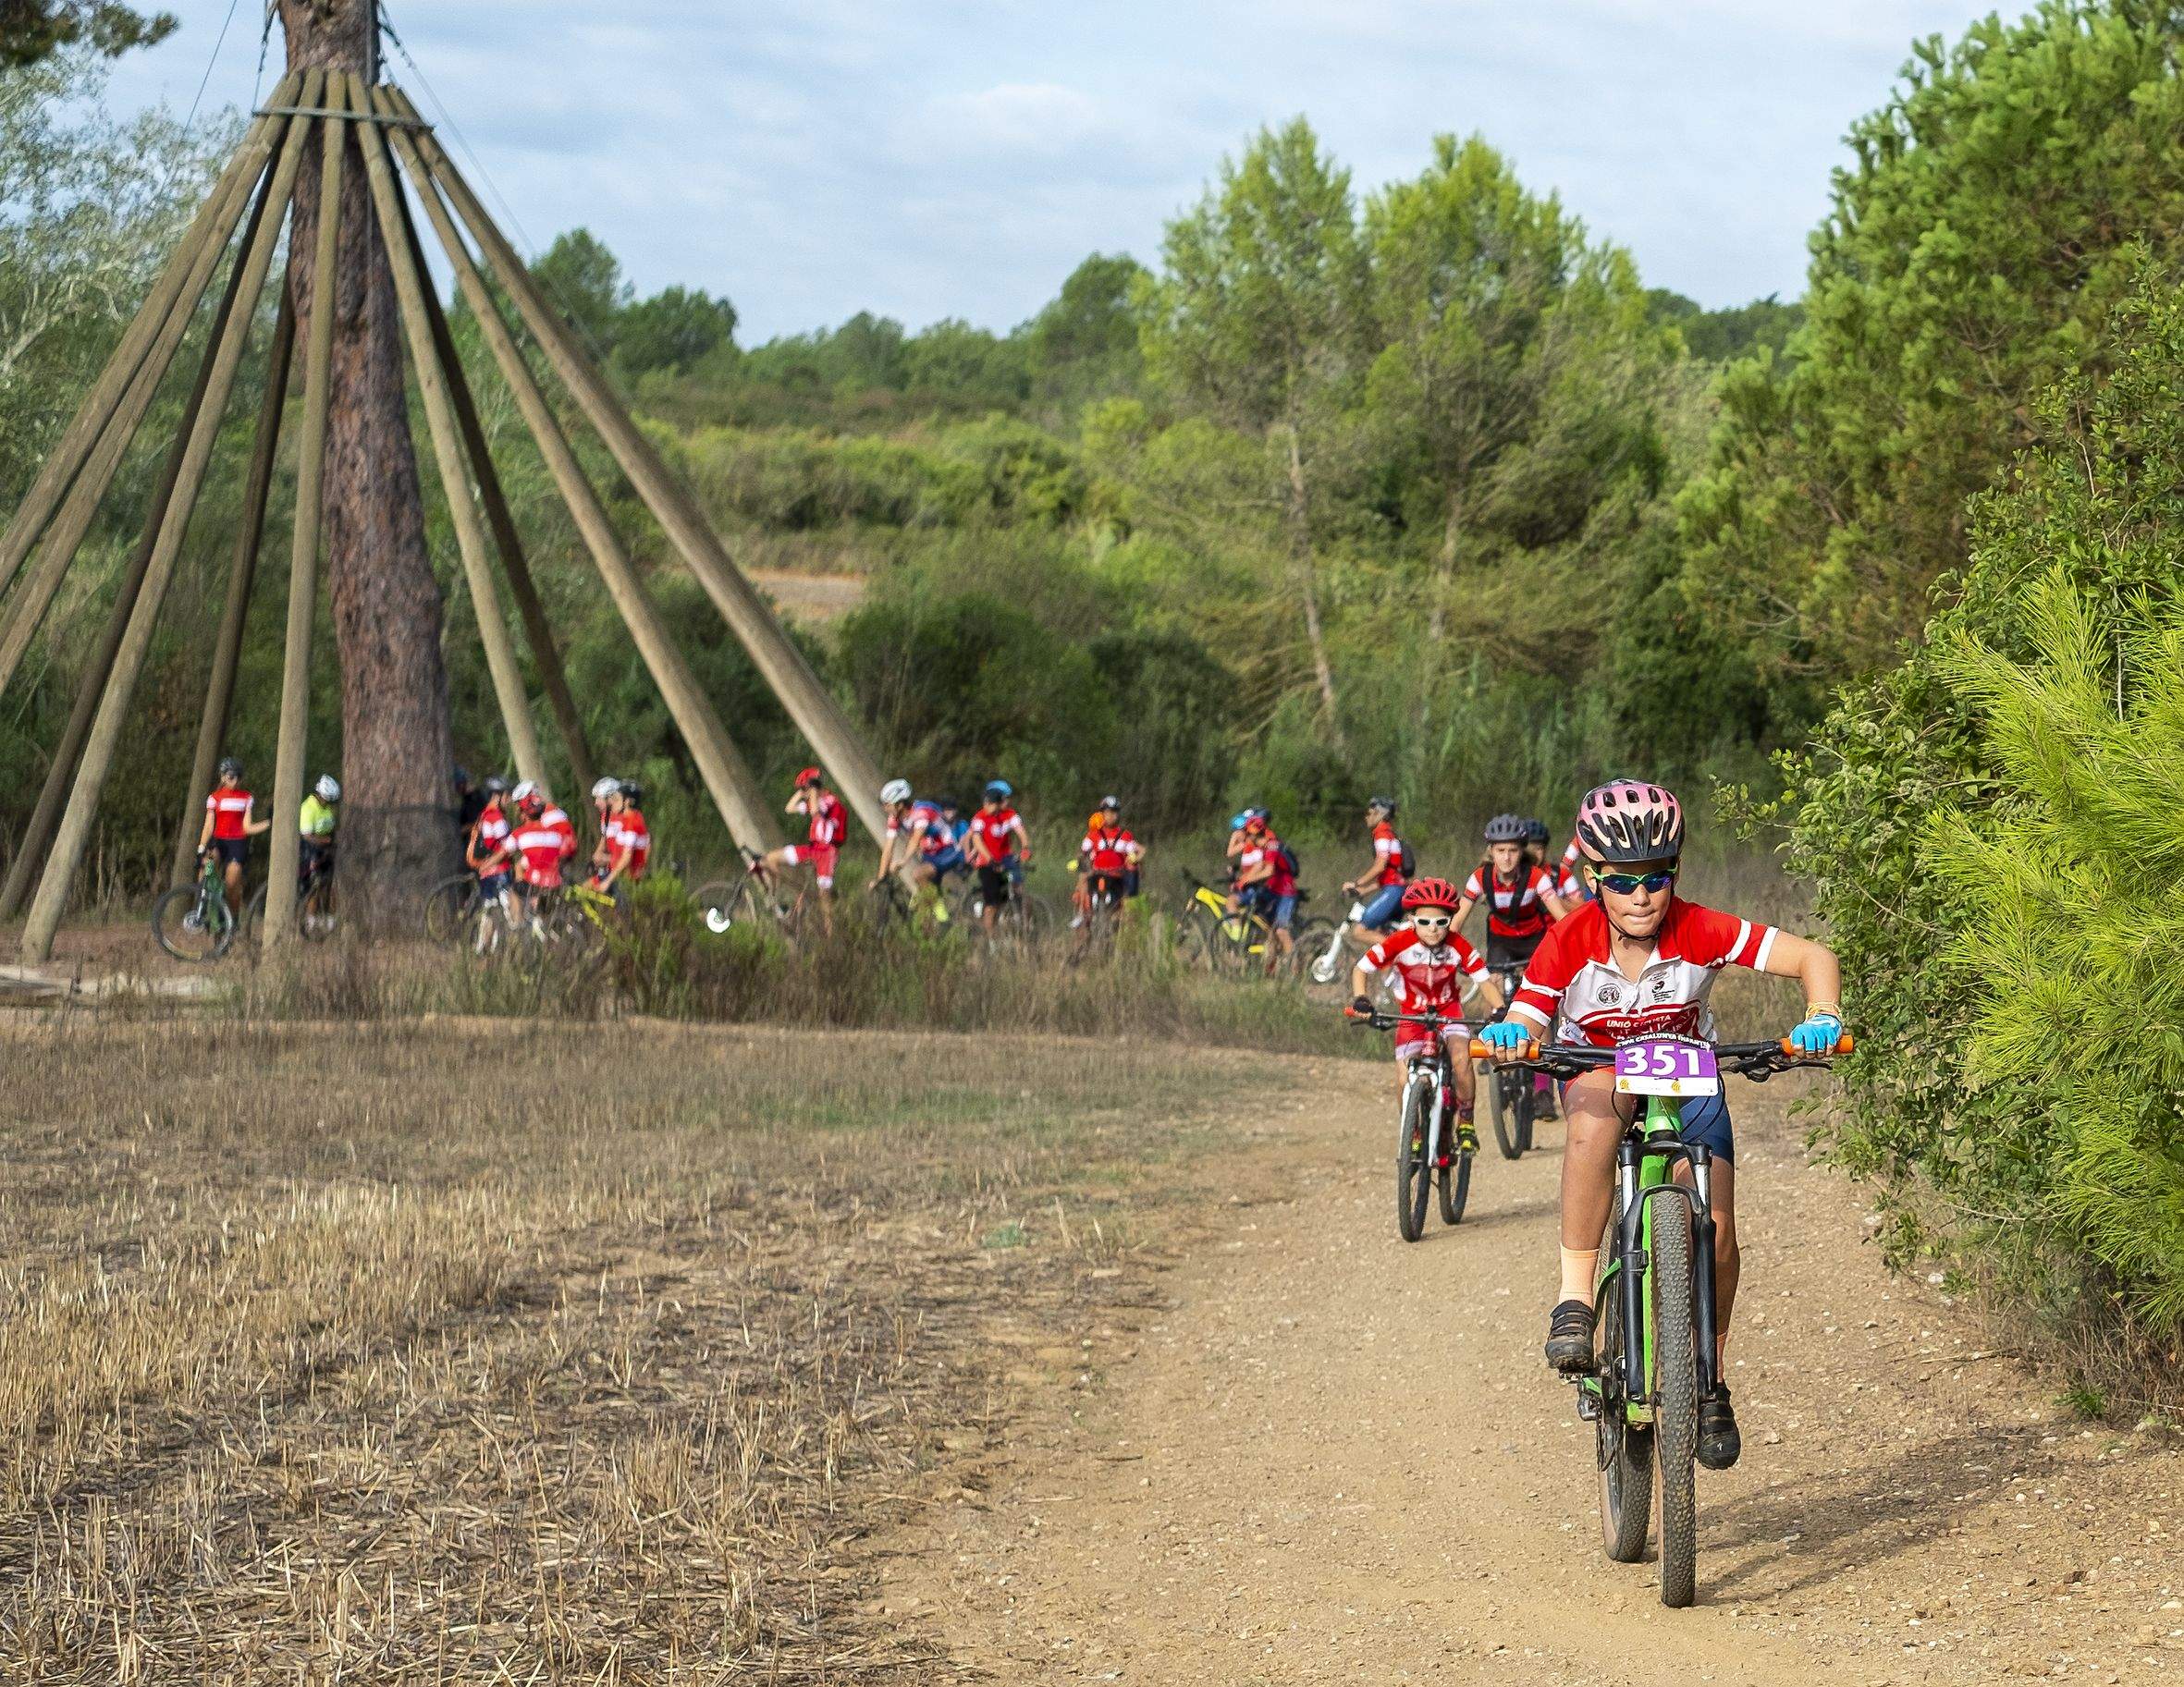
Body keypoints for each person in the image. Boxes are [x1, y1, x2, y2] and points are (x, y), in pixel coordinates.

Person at [1479, 779, 1845, 1472]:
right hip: (1602, 1072)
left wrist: (1821, 1013)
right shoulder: (1568, 937)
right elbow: (1529, 1011)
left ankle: (1709, 1379)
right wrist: (1511, 1034)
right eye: (1621, 879)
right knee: (1591, 1119)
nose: (1641, 895)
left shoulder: (1701, 926)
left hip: (1690, 1076)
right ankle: (1575, 1300)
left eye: (1658, 876)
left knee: (1722, 1230)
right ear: (1593, 878)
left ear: (1675, 871)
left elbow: (1811, 957)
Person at [1348, 878, 1504, 1158]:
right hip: (1411, 1014)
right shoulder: (1399, 942)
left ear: (1450, 921)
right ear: (1411, 919)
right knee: (1402, 1077)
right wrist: (1361, 999)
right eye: (1424, 922)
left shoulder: (1459, 945)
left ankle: (1466, 1121)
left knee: (1461, 1058)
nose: (1433, 929)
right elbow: (1361, 969)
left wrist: (1499, 1010)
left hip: (1449, 1011)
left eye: (1441, 922)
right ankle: (1414, 1132)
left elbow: (1485, 982)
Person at [759, 766, 848, 934]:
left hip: (827, 853)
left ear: (812, 787)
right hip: (813, 848)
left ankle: (831, 933)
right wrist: (801, 793)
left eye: (804, 789)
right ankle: (779, 899)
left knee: (824, 894)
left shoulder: (829, 801)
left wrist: (812, 791)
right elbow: (789, 808)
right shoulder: (815, 800)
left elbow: (815, 811)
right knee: (771, 858)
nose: (804, 793)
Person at [1225, 809, 1300, 972]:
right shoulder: (1263, 846)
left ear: (1253, 834)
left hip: (1285, 893)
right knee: (1267, 928)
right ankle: (1270, 968)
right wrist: (1243, 880)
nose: (1245, 838)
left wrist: (1245, 881)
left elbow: (1268, 871)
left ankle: (1296, 969)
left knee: (1281, 930)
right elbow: (1259, 866)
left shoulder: (1272, 845)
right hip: (1272, 891)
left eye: (1247, 834)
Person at [195, 757, 269, 920]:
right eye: (230, 777)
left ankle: (232, 917)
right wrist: (201, 847)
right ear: (223, 777)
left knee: (232, 882)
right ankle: (203, 905)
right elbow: (209, 826)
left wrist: (269, 823)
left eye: (238, 777)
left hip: (237, 842)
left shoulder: (246, 798)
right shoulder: (214, 797)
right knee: (206, 866)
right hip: (218, 840)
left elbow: (247, 827)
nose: (234, 781)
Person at [1337, 795, 1411, 952]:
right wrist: (1364, 890)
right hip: (1397, 890)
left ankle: (1401, 955)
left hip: (1393, 891)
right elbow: (1388, 875)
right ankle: (1393, 971)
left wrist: (1357, 883)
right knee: (1381, 934)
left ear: (1379, 814)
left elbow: (1380, 866)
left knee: (1359, 932)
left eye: (1369, 813)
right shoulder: (1390, 833)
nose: (1366, 817)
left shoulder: (1382, 833)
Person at [1073, 797, 1137, 952]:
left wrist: (1133, 860)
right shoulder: (1093, 835)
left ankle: (1121, 937)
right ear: (1102, 814)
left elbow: (1134, 854)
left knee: (1121, 909)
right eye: (1107, 813)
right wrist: (1080, 861)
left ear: (1118, 814)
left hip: (1116, 877)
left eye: (1114, 813)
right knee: (1083, 882)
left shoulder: (1125, 835)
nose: (1111, 816)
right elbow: (1083, 853)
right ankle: (1082, 917)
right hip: (1097, 875)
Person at [965, 779, 1031, 931]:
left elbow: (1020, 831)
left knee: (1019, 890)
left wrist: (1026, 847)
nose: (1007, 802)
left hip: (1006, 857)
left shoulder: (1010, 814)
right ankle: (990, 940)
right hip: (987, 861)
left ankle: (1026, 926)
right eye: (1004, 799)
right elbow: (977, 839)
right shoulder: (979, 818)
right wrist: (990, 859)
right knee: (992, 904)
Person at [468, 776, 515, 934]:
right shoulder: (496, 818)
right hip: (498, 869)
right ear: (497, 796)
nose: (509, 800)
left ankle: (482, 949)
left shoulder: (485, 815)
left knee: (488, 909)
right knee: (511, 913)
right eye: (507, 795)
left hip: (487, 869)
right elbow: (506, 848)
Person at [600, 780, 649, 899]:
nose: (613, 803)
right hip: (619, 875)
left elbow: (626, 858)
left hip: (627, 880)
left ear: (627, 802)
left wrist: (608, 880)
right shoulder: (627, 820)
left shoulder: (632, 821)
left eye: (616, 800)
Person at [298, 775, 340, 890]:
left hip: (324, 848)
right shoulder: (308, 808)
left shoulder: (328, 808)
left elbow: (332, 827)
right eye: (328, 799)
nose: (329, 802)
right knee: (308, 885)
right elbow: (307, 836)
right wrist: (327, 840)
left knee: (322, 884)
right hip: (309, 848)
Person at [588, 776, 620, 879]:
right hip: (612, 866)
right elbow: (604, 837)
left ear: (610, 798)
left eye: (599, 798)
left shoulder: (624, 818)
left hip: (622, 868)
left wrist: (606, 859)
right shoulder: (605, 816)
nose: (596, 803)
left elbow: (628, 854)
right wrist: (596, 857)